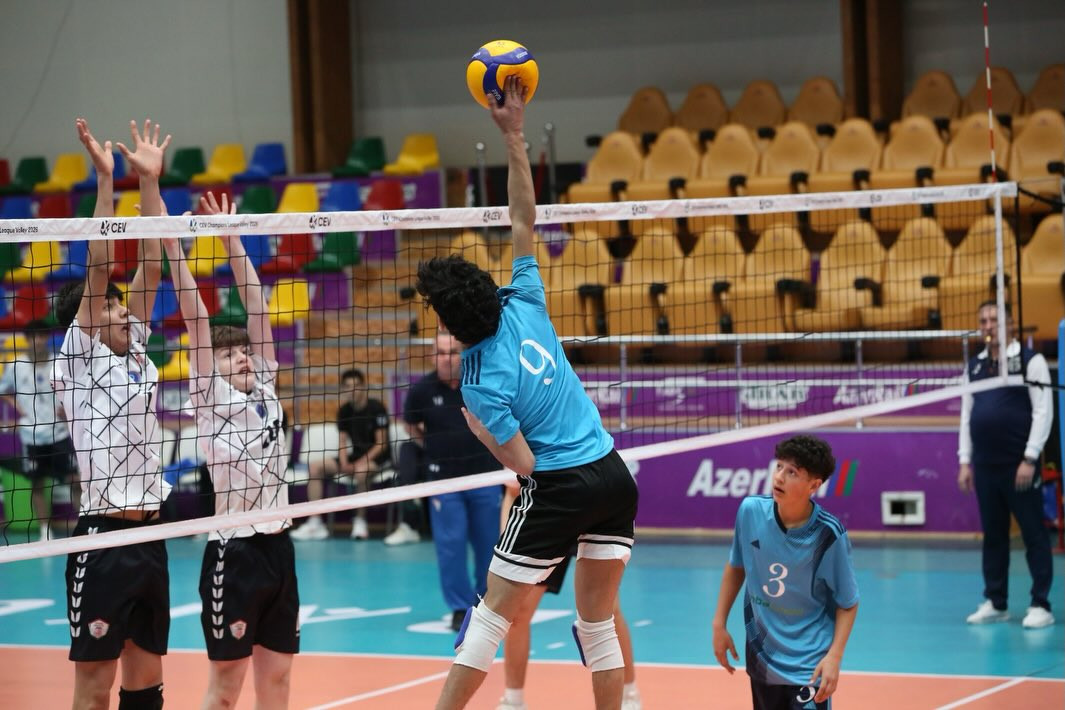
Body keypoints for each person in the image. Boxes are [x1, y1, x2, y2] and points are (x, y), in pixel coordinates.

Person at [420, 76, 639, 710]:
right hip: (612, 474)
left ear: (452, 325)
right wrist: (514, 134)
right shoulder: (525, 299)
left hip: (561, 484)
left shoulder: (478, 382)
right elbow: (522, 214)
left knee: (491, 615)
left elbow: (525, 465)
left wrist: (481, 431)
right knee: (597, 623)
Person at [163, 190, 299, 708]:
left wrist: (230, 237)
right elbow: (196, 319)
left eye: (244, 350)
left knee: (278, 681)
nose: (242, 357)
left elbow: (257, 304)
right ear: (209, 367)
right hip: (234, 550)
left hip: (279, 546)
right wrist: (172, 244)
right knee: (225, 690)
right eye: (228, 355)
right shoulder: (209, 397)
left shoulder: (264, 383)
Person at [53, 118, 169, 710]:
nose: (124, 313)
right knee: (94, 691)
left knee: (146, 688)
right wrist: (105, 181)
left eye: (125, 308)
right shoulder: (77, 360)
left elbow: (153, 263)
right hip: (102, 539)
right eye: (112, 309)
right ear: (88, 321)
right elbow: (99, 270)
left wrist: (148, 183)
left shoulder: (136, 348)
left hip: (152, 534)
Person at [712, 435, 859, 710]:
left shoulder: (829, 535)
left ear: (814, 485)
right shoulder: (750, 511)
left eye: (792, 472)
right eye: (779, 466)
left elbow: (848, 603)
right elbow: (736, 565)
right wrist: (719, 624)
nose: (779, 477)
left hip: (809, 664)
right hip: (763, 658)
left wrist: (834, 657)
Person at [496, 484, 642, 710]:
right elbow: (513, 491)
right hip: (549, 513)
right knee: (518, 612)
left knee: (607, 611)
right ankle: (513, 701)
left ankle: (628, 695)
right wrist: (509, 548)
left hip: (592, 507)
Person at [958, 300, 1054, 629]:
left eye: (994, 319)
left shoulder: (1031, 361)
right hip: (985, 466)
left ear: (1010, 324)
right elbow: (967, 416)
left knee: (1033, 533)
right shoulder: (974, 366)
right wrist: (965, 461)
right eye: (983, 320)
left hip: (1020, 466)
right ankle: (996, 602)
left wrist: (1030, 457)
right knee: (994, 535)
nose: (988, 325)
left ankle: (1041, 604)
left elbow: (1043, 411)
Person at [401, 332, 502, 629]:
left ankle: (486, 602)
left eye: (453, 352)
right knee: (451, 545)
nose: (447, 359)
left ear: (463, 354)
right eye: (441, 353)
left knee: (489, 543)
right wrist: (431, 448)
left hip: (485, 476)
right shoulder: (421, 390)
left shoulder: (480, 383)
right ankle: (459, 607)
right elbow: (410, 425)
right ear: (433, 356)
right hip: (444, 481)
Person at [291, 367, 391, 540]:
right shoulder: (344, 411)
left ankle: (360, 521)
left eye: (356, 386)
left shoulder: (377, 408)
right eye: (348, 386)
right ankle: (315, 522)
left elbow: (381, 444)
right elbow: (342, 441)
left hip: (378, 459)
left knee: (361, 472)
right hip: (355, 457)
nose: (353, 390)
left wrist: (357, 464)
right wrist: (344, 463)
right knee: (315, 467)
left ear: (363, 387)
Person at [0, 319, 78, 540]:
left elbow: (73, 389)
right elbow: (3, 390)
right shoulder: (16, 365)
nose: (38, 340)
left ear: (46, 338)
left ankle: (85, 525)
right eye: (33, 336)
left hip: (58, 433)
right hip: (32, 436)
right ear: (27, 339)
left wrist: (67, 407)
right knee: (37, 484)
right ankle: (45, 531)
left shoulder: (58, 363)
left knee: (75, 480)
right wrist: (19, 408)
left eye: (42, 336)